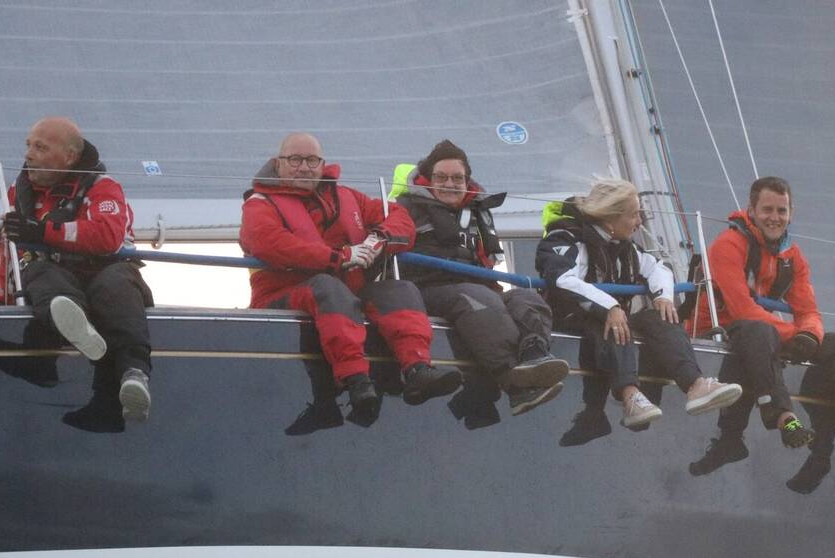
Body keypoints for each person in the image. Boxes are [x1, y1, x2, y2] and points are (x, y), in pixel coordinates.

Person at [688, 175, 835, 491]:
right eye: (767, 209)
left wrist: (808, 335)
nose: (775, 217)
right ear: (751, 210)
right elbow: (742, 309)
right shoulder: (728, 245)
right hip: (720, 332)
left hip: (765, 336)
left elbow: (809, 311)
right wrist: (792, 334)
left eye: (781, 211)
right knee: (760, 330)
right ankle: (785, 420)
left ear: (791, 214)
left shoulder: (792, 257)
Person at [239, 133, 461, 422]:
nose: (304, 167)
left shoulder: (348, 197)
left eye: (312, 160)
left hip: (345, 294)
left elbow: (400, 218)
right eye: (295, 160)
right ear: (277, 164)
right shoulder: (259, 204)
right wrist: (340, 257)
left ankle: (418, 369)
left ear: (322, 165)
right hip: (283, 296)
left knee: (399, 289)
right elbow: (270, 243)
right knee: (328, 288)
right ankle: (356, 380)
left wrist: (379, 240)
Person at [535, 178, 742, 430]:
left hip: (613, 321)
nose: (640, 221)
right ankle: (630, 395)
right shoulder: (565, 239)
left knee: (660, 318)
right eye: (634, 215)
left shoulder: (625, 247)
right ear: (610, 219)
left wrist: (663, 297)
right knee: (611, 323)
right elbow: (562, 279)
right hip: (570, 323)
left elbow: (658, 268)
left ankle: (695, 384)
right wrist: (610, 307)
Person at [394, 139, 568, 416]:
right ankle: (514, 384)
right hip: (427, 289)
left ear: (467, 181)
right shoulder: (405, 209)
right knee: (478, 299)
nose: (450, 184)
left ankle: (534, 355)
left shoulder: (477, 212)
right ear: (428, 179)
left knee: (526, 297)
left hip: (479, 286)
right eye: (441, 177)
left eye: (457, 178)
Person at [0, 116, 153, 424]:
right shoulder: (18, 192)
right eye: (29, 146)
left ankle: (134, 374)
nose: (29, 155)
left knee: (114, 284)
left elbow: (107, 236)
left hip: (107, 273)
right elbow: (11, 253)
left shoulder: (103, 187)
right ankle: (73, 329)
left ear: (69, 157)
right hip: (54, 280)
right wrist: (2, 300)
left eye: (41, 148)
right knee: (39, 270)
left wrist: (42, 232)